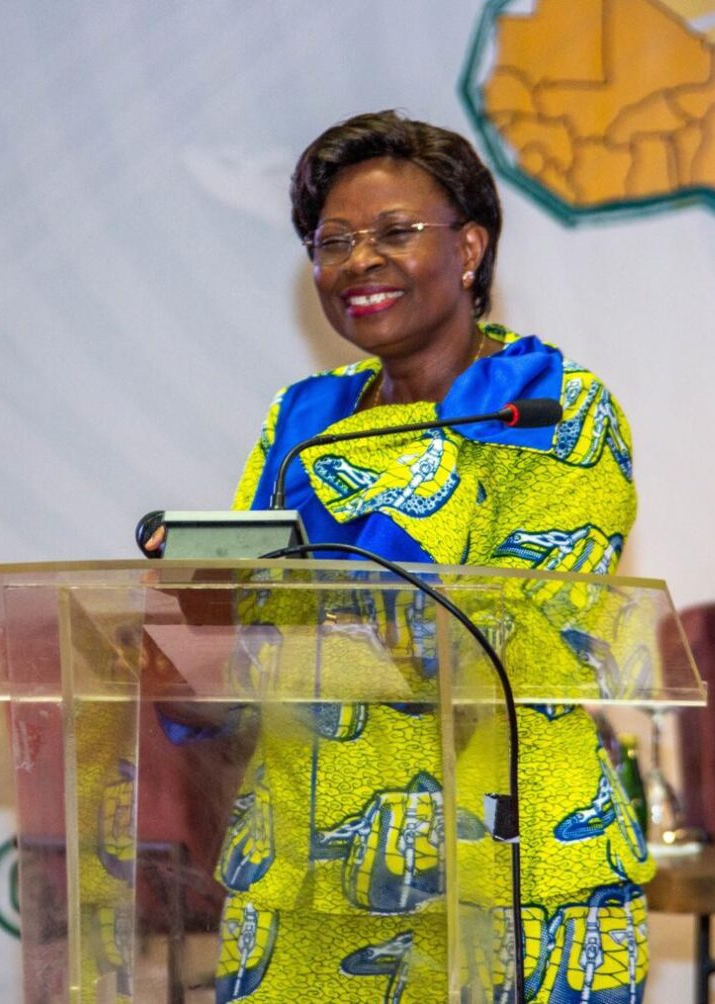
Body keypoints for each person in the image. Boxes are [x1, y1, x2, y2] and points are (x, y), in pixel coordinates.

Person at [210, 110, 653, 1003]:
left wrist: (328, 603)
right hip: (300, 879)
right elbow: (243, 621)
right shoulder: (301, 420)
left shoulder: (546, 407)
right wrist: (185, 595)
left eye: (394, 232)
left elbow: (520, 631)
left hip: (514, 873)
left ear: (470, 248)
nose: (359, 261)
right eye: (333, 241)